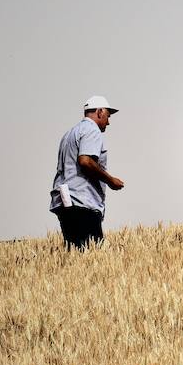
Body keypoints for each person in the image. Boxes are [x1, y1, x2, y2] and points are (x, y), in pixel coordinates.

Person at [49, 95, 125, 250]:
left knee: (75, 255)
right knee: (92, 253)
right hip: (82, 202)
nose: (108, 122)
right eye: (107, 116)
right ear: (99, 112)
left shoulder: (70, 134)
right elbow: (85, 161)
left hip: (64, 201)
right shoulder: (92, 130)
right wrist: (110, 180)